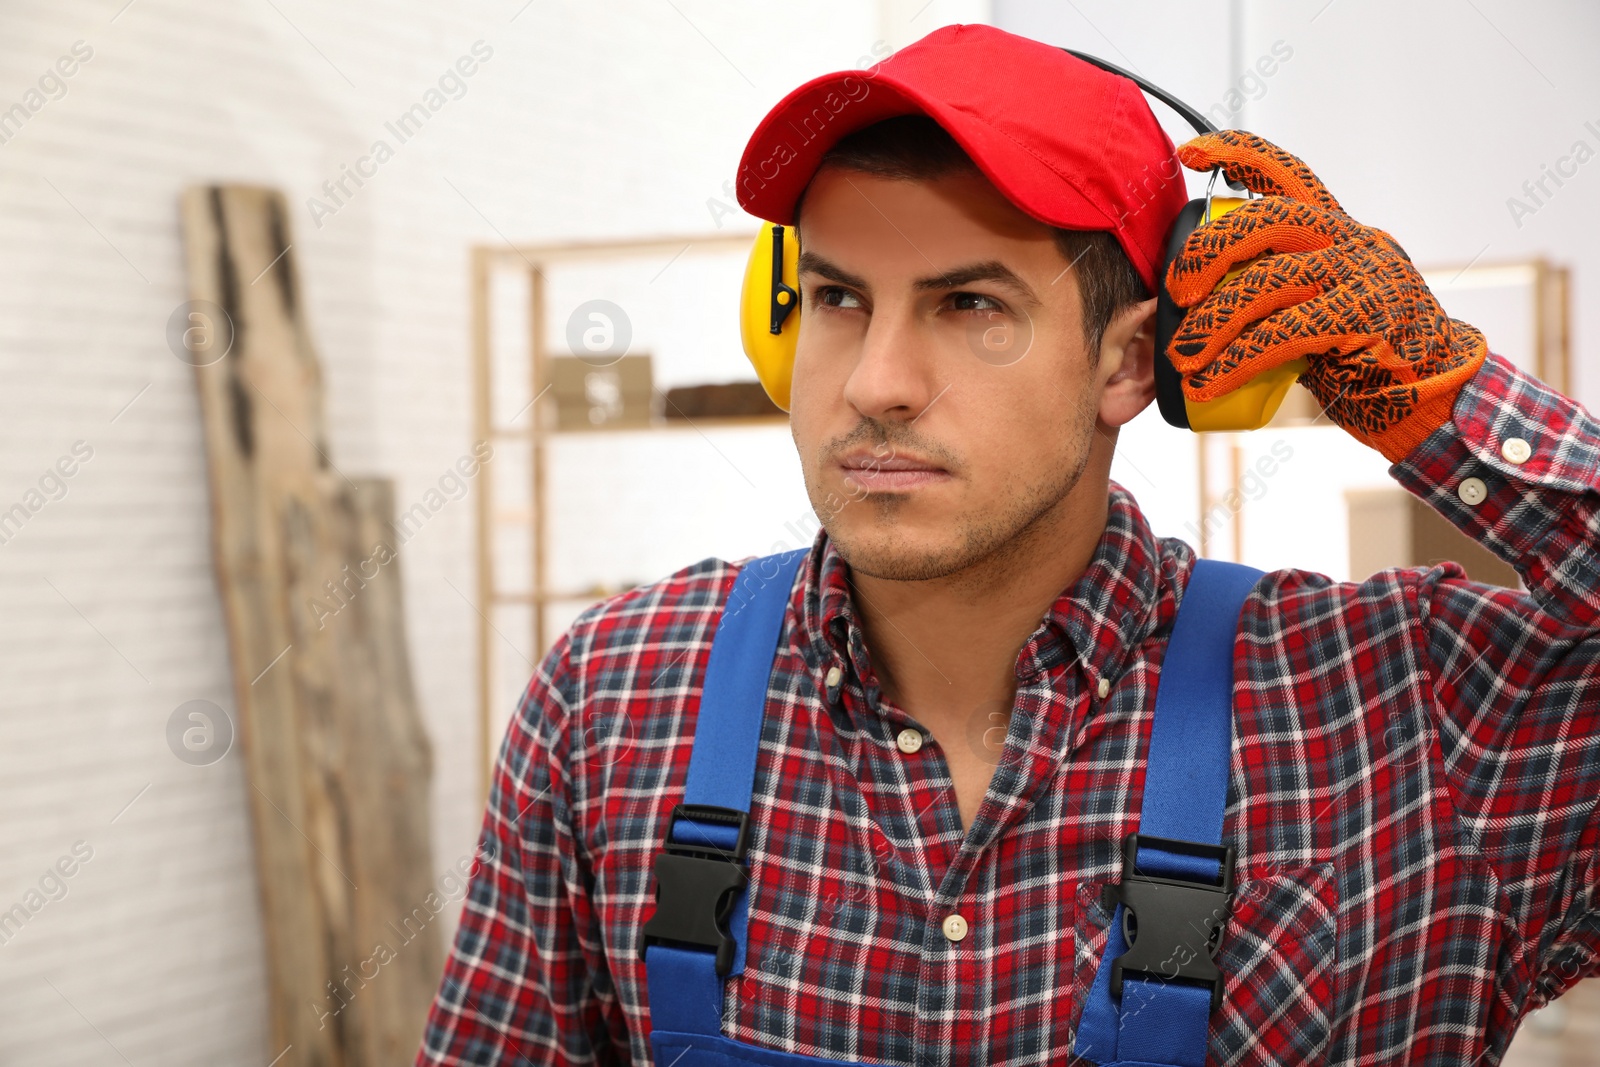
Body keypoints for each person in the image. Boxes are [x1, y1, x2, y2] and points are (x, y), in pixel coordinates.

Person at [415, 23, 1599, 1066]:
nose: (874, 383)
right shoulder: (618, 699)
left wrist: (1457, 407)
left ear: (1129, 360)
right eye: (836, 299)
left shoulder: (1410, 711)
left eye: (969, 305)